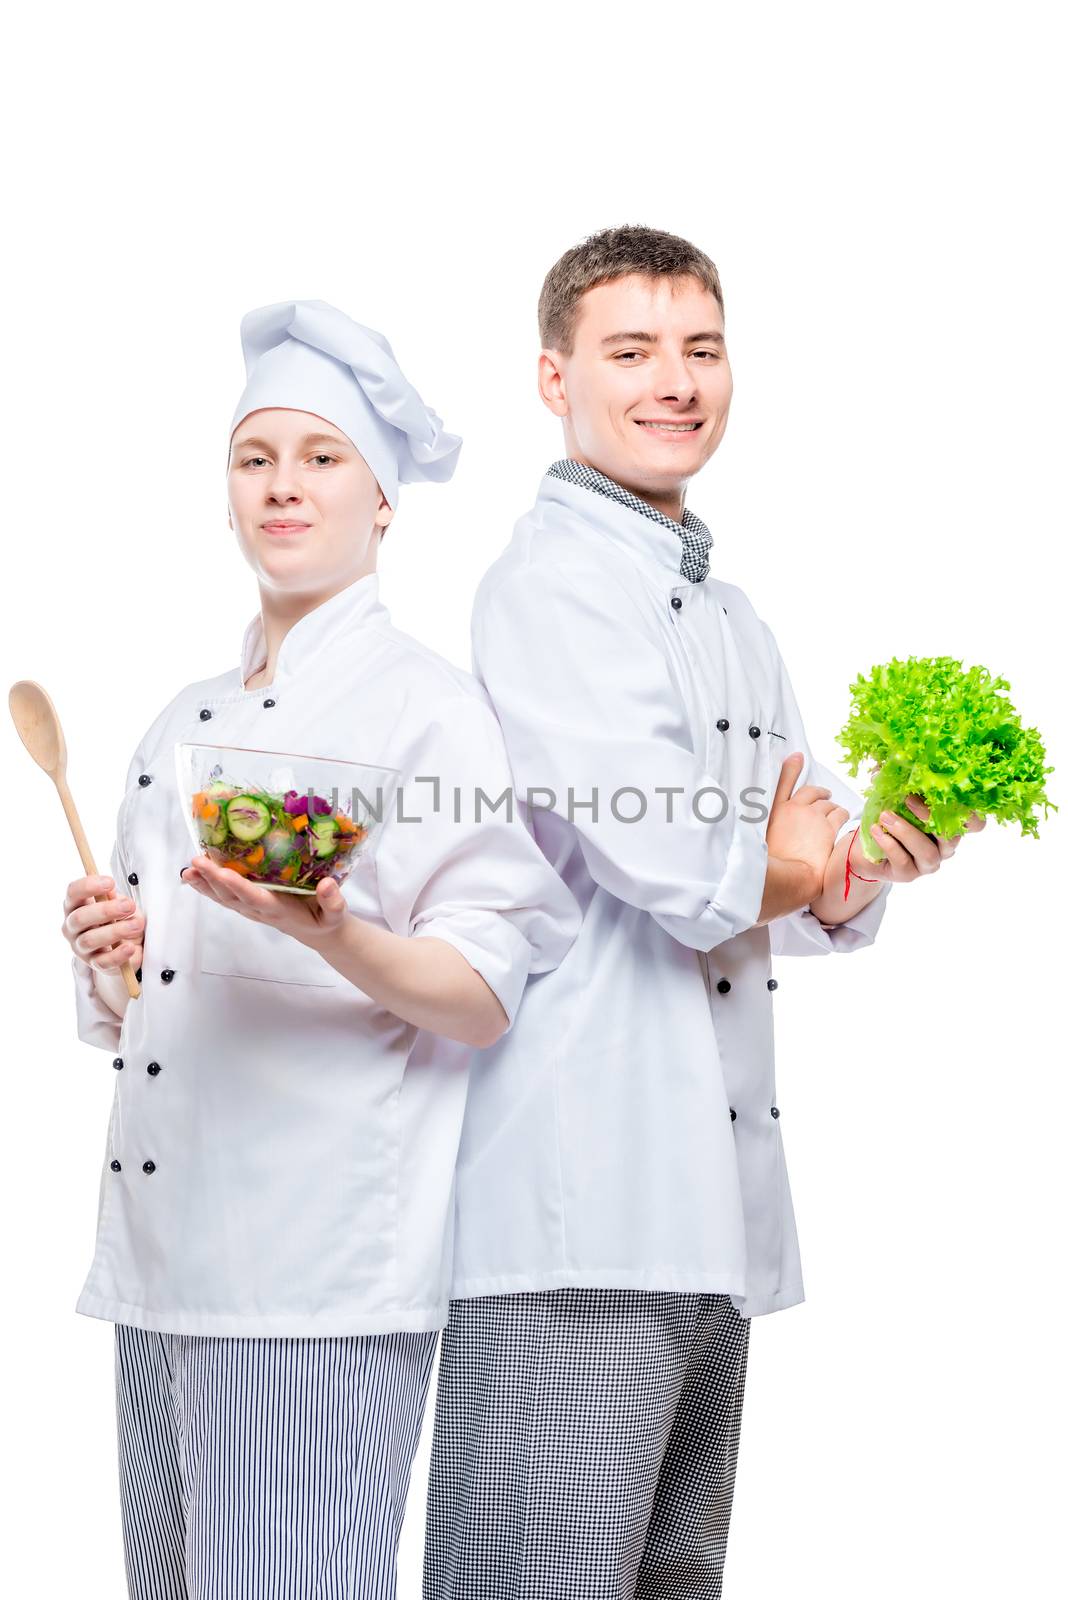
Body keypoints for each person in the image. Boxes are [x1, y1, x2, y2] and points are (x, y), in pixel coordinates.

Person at [422, 227, 986, 1599]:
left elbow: (786, 876)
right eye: (631, 353)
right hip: (574, 1204)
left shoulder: (731, 614)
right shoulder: (550, 586)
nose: (675, 383)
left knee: (674, 1580)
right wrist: (785, 857)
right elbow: (676, 858)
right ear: (554, 378)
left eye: (702, 350)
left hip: (708, 1205)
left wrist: (880, 854)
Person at [61, 298, 580, 1600]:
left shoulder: (429, 709)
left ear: (384, 499)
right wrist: (114, 955)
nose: (284, 487)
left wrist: (334, 927)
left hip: (313, 1282)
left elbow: (478, 995)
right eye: (256, 459)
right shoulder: (182, 719)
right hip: (160, 1265)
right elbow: (147, 1012)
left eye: (321, 457)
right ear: (226, 492)